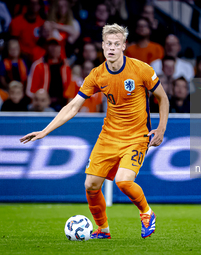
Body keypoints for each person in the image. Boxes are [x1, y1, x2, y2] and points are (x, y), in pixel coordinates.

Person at [20, 23, 169, 239]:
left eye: (116, 44)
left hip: (136, 136)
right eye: (108, 43)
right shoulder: (97, 75)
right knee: (90, 185)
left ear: (124, 46)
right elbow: (73, 106)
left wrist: (161, 128)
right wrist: (45, 131)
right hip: (108, 136)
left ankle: (147, 213)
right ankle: (103, 230)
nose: (111, 48)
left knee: (123, 181)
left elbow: (162, 98)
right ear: (102, 45)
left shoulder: (141, 69)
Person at [26, 38, 74, 111]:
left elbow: (69, 87)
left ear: (60, 48)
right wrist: (41, 101)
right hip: (43, 104)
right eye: (51, 45)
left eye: (56, 46)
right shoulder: (38, 65)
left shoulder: (66, 66)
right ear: (47, 47)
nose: (53, 48)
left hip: (62, 103)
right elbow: (31, 91)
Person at [9, 0, 45, 64]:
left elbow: (42, 45)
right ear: (27, 5)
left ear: (40, 6)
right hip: (20, 57)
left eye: (37, 4)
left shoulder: (42, 23)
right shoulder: (16, 22)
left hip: (37, 57)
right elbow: (12, 43)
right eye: (32, 3)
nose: (34, 6)